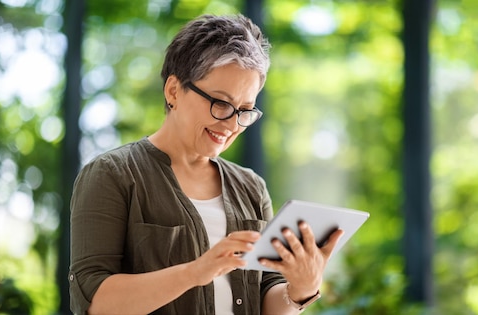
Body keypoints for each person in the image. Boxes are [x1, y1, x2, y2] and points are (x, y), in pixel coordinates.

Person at [69, 14, 344, 315]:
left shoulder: (251, 187)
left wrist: (300, 290)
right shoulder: (112, 174)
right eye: (221, 103)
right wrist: (196, 272)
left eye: (245, 110)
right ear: (173, 90)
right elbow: (94, 300)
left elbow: (266, 298)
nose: (231, 123)